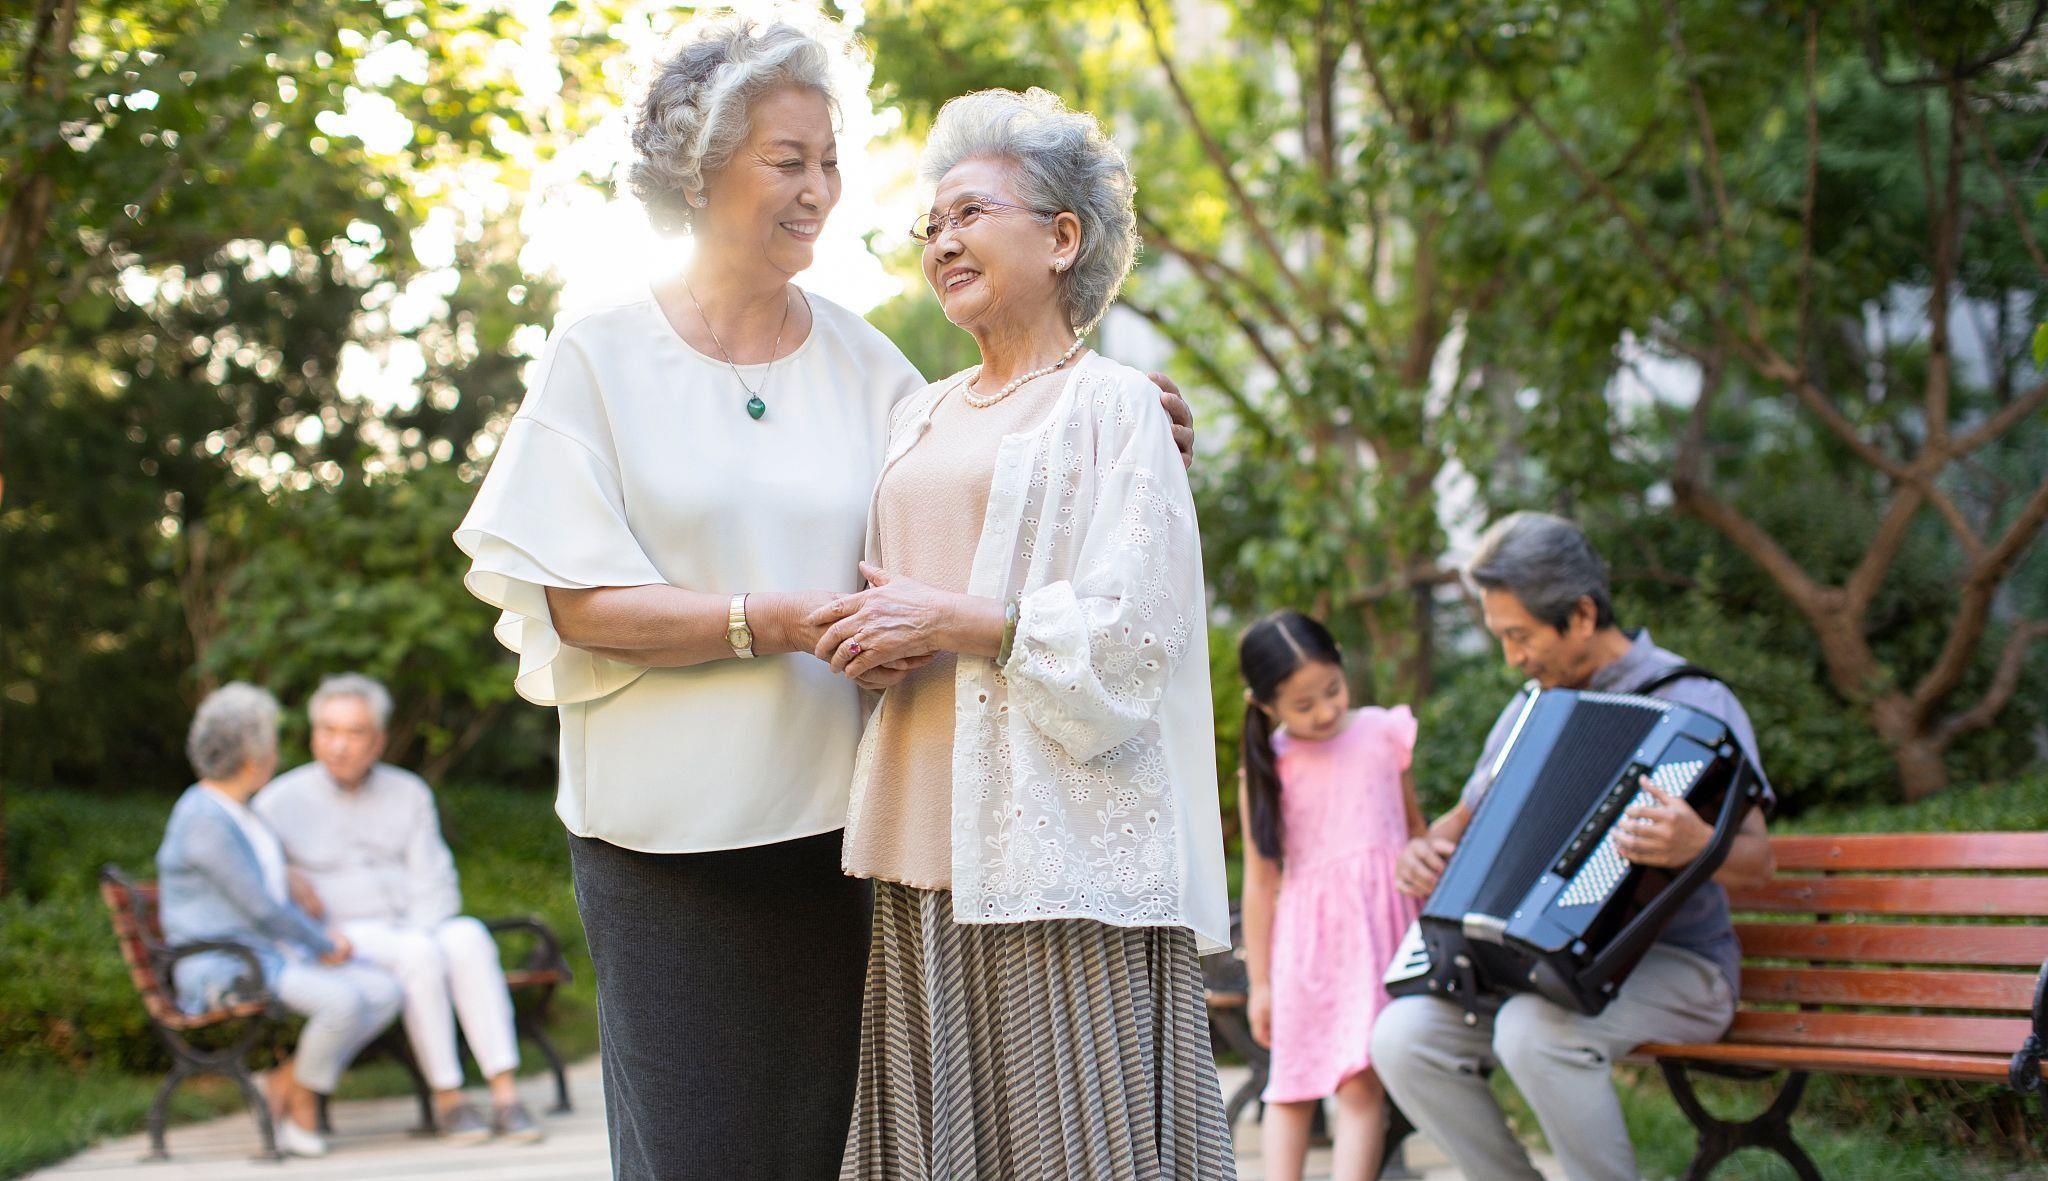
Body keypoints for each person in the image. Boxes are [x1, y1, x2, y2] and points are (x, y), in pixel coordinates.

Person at [451, 14, 1195, 1179]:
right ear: (700, 171)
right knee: (696, 1154)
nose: (819, 189)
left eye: (830, 162)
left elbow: (983, 467)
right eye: (787, 159)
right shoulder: (596, 355)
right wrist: (779, 619)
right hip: (664, 845)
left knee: (832, 1151)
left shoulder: (869, 367)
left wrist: (1118, 419)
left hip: (841, 838)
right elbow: (580, 602)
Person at [813, 87, 1232, 1181]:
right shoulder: (919, 411)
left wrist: (951, 620)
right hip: (919, 830)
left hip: (1057, 848)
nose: (941, 240)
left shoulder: (1113, 405)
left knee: (1064, 1150)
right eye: (929, 225)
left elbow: (1135, 639)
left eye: (968, 213)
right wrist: (883, 639)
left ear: (1060, 238)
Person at [1370, 512, 1777, 1181]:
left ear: (1582, 614)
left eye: (1519, 635)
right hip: (1536, 970)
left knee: (1535, 1032)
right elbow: (1460, 822)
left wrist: (1698, 843)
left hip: (1682, 966)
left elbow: (1760, 862)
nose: (1512, 658)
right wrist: (1423, 851)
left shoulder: (1696, 703)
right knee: (1404, 1037)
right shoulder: (1530, 708)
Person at [255, 674, 541, 1145]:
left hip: (413, 926)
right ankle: (449, 1099)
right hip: (340, 939)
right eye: (328, 731)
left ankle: (505, 1094)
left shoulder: (408, 793)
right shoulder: (279, 801)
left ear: (379, 741)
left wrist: (425, 929)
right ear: (312, 736)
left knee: (467, 936)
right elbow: (260, 888)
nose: (339, 745)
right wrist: (287, 877)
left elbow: (436, 878)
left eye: (354, 733)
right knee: (420, 955)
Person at [157, 683, 403, 1160]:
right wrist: (322, 942)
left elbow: (265, 882)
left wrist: (292, 878)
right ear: (252, 758)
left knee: (386, 991)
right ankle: (305, 1102)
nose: (275, 752)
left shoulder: (237, 810)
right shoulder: (203, 818)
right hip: (225, 966)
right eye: (269, 742)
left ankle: (286, 1084)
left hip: (260, 953)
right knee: (343, 1003)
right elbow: (259, 907)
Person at [1234, 612, 1422, 1181]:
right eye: (1303, 705)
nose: (1325, 710)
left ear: (1342, 662)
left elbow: (1416, 830)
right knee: (1292, 1085)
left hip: (1382, 933)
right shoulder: (1269, 767)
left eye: (1332, 690)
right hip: (1309, 948)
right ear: (1265, 705)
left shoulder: (1384, 733)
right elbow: (1261, 882)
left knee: (1361, 1082)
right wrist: (1261, 983)